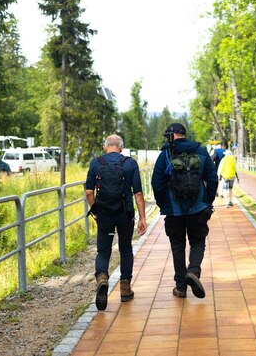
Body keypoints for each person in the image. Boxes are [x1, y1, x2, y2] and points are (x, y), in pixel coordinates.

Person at [151, 123, 218, 299]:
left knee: (177, 246)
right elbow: (212, 179)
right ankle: (194, 271)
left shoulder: (165, 154)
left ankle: (181, 288)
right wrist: (207, 201)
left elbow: (156, 183)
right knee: (197, 241)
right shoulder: (201, 151)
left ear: (172, 136)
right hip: (198, 208)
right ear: (184, 135)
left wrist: (162, 204)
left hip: (174, 211)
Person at [85, 134, 147, 311]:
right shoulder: (130, 163)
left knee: (103, 251)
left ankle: (102, 278)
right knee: (126, 248)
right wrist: (142, 218)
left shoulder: (96, 163)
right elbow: (138, 194)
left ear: (105, 147)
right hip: (125, 214)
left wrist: (95, 209)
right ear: (121, 148)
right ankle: (125, 289)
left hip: (104, 213)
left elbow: (89, 192)